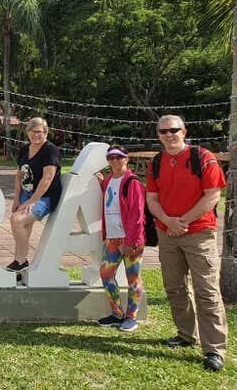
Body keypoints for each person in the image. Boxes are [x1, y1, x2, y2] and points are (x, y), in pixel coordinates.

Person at [146, 115, 227, 372]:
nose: (169, 135)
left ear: (184, 131)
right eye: (163, 131)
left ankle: (214, 349)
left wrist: (182, 222)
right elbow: (152, 199)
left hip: (199, 233)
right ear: (158, 134)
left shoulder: (203, 157)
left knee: (206, 291)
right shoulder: (156, 162)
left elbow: (213, 195)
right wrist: (168, 221)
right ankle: (185, 334)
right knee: (175, 287)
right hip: (167, 233)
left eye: (174, 130)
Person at [96, 145, 145, 333]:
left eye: (119, 157)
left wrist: (130, 242)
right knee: (106, 275)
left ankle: (131, 317)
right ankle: (117, 314)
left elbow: (137, 215)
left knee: (133, 278)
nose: (115, 160)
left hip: (131, 240)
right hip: (112, 238)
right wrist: (100, 182)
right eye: (111, 157)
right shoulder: (109, 180)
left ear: (126, 159)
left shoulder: (132, 182)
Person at [7, 117, 62, 272]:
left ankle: (21, 261)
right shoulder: (25, 149)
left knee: (17, 220)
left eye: (39, 132)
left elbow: (47, 179)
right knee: (23, 225)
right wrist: (17, 198)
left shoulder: (50, 150)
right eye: (33, 131)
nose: (36, 135)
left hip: (45, 197)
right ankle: (19, 263)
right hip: (26, 193)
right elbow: (19, 175)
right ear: (28, 132)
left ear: (45, 132)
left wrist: (31, 201)